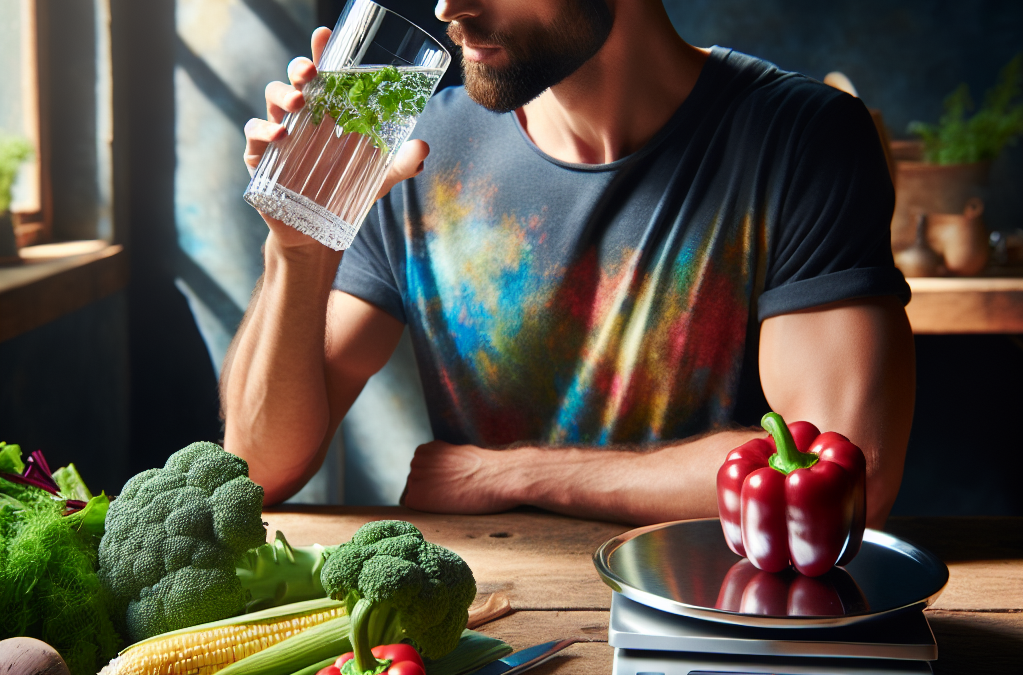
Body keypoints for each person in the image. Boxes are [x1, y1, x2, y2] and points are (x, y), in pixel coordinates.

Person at [223, 0, 915, 528]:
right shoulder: (412, 152)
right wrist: (296, 249)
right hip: (491, 621)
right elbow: (259, 467)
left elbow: (849, 475)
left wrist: (515, 474)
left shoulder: (803, 140)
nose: (447, 6)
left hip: (717, 626)